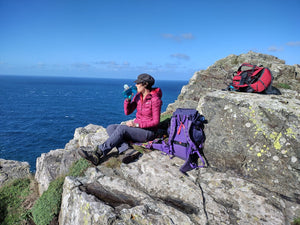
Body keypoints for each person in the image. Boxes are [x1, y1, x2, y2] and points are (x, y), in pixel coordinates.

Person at [78, 73, 163, 165]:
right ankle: (127, 150)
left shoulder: (155, 100)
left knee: (122, 129)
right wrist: (128, 100)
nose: (136, 85)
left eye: (138, 83)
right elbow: (128, 112)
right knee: (111, 127)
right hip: (138, 129)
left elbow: (155, 122)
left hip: (148, 132)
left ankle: (98, 153)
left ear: (145, 84)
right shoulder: (138, 96)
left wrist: (137, 125)